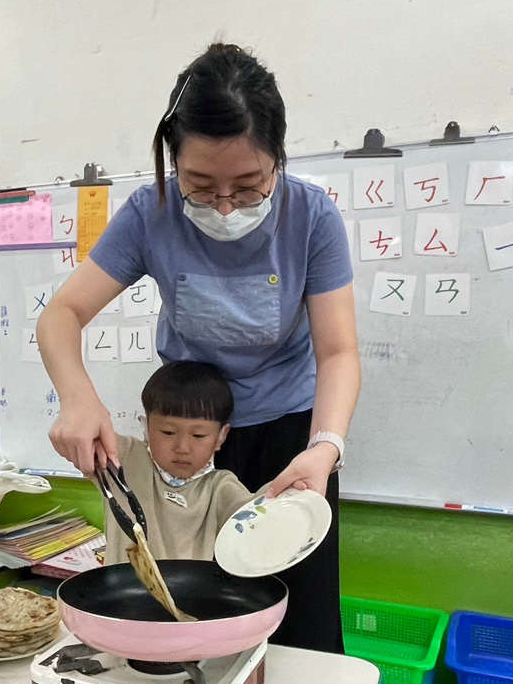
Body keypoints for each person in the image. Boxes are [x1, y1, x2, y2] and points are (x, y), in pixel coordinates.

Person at [37, 43, 360, 653]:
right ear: (172, 160)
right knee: (192, 604)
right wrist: (76, 398)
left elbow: (338, 352)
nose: (225, 206)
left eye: (249, 186)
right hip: (192, 439)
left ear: (278, 159)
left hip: (293, 442)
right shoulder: (150, 213)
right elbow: (62, 314)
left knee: (302, 619)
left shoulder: (311, 217)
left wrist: (326, 447)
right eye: (201, 186)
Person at [98, 361, 261, 566]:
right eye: (168, 432)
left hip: (190, 588)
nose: (183, 447)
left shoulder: (220, 487)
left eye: (198, 435)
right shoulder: (124, 459)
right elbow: (85, 437)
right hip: (120, 586)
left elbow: (258, 514)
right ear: (146, 427)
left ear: (221, 436)